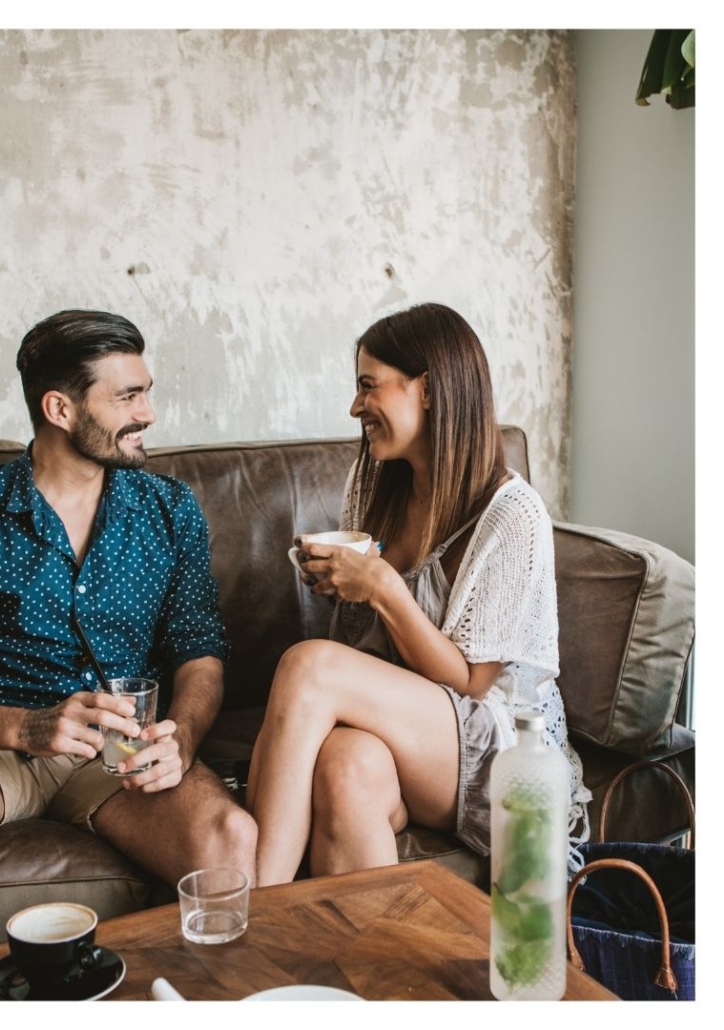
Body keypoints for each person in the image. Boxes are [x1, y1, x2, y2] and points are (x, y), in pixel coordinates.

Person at [0, 309, 256, 998]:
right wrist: (24, 727)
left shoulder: (170, 509)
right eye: (127, 397)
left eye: (146, 391)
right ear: (60, 408)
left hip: (116, 751)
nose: (149, 413)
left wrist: (184, 737)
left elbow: (200, 652)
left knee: (227, 833)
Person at [246, 302, 589, 886]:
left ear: (427, 389)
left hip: (500, 749)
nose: (356, 407)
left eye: (368, 385)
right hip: (404, 731)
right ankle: (368, 972)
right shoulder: (373, 482)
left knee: (309, 666)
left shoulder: (512, 513)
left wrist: (380, 585)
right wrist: (340, 583)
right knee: (345, 766)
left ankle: (253, 912)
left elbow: (475, 682)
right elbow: (376, 650)